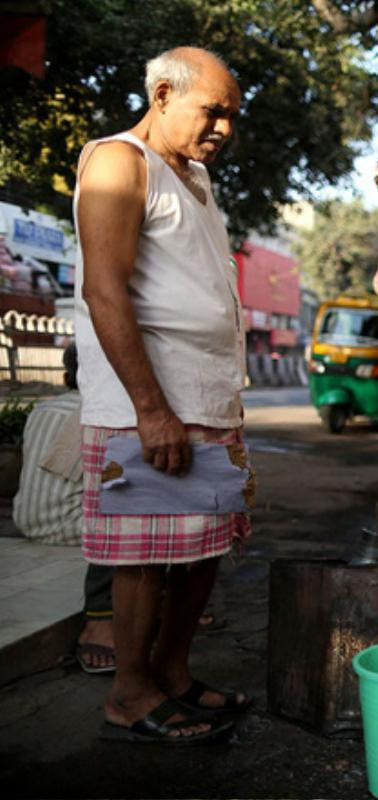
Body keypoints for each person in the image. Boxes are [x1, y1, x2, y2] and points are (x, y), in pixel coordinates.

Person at [74, 46, 252, 744]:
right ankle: (128, 692)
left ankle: (173, 673)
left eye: (233, 116)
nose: (225, 128)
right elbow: (103, 290)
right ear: (162, 94)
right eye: (214, 111)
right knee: (144, 557)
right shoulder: (120, 161)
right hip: (146, 407)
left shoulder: (197, 177)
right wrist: (151, 410)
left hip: (208, 402)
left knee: (204, 549)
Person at [13, 346, 116, 673]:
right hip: (69, 525)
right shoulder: (98, 413)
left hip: (25, 520)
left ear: (65, 377)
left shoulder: (41, 410)